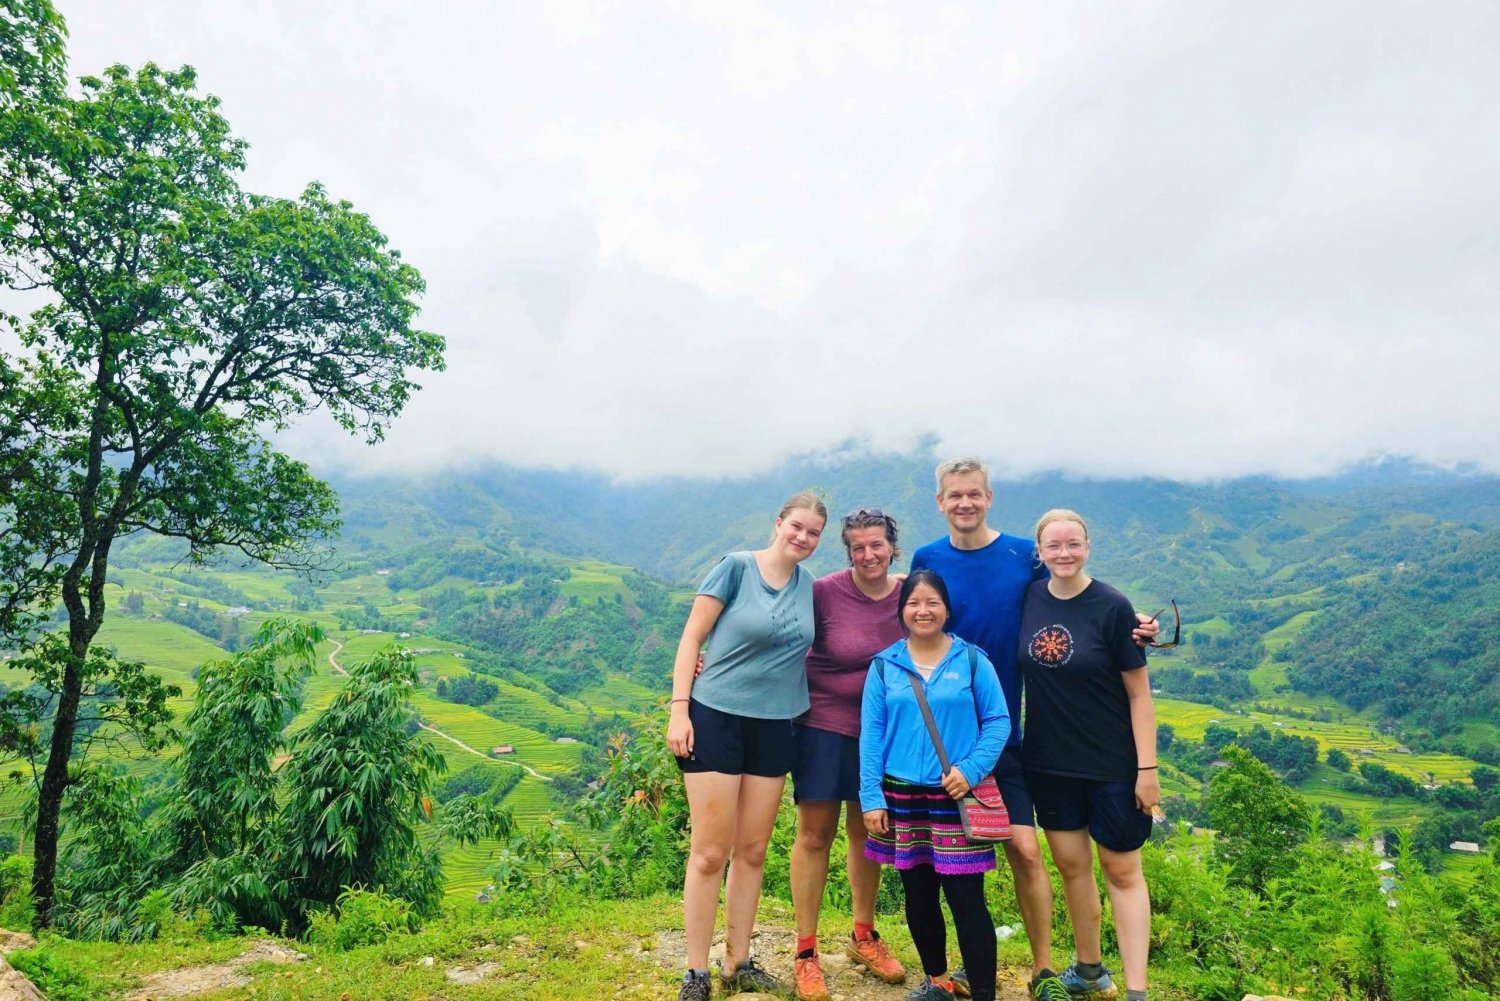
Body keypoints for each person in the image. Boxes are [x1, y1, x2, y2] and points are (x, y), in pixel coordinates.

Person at [909, 458, 1157, 1001]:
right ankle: (948, 973)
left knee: (1025, 850)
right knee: (943, 856)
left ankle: (1044, 971)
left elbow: (1080, 596)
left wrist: (1136, 621)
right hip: (946, 734)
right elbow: (913, 619)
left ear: (990, 496)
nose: (965, 503)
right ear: (940, 501)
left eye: (974, 493)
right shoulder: (927, 558)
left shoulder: (1024, 553)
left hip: (1010, 736)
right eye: (955, 495)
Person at [667, 491, 828, 1001]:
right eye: (796, 527)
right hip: (715, 717)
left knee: (753, 851)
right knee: (711, 852)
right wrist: (680, 707)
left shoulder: (810, 588)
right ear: (778, 523)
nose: (802, 538)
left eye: (813, 533)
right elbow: (692, 637)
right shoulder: (736, 568)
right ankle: (696, 971)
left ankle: (739, 960)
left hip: (776, 724)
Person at [1020, 510, 1158, 1001]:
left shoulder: (1114, 607)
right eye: (1053, 545)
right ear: (1039, 551)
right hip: (1048, 762)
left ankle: (1137, 990)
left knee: (1122, 871)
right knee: (1073, 867)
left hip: (1113, 765)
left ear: (1088, 546)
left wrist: (1148, 770)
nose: (1063, 553)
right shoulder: (1029, 596)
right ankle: (1090, 969)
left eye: (1073, 544)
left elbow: (1140, 695)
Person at [859, 569, 1010, 1001]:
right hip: (902, 795)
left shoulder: (972, 660)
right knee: (918, 894)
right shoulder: (885, 665)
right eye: (913, 603)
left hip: (955, 794)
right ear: (902, 609)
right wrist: (872, 796)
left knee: (967, 900)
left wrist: (972, 768)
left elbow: (998, 721)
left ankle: (983, 992)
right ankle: (938, 983)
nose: (922, 611)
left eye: (932, 603)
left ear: (946, 608)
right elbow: (871, 734)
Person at [789, 508, 908, 1001]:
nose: (868, 555)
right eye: (858, 547)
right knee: (815, 834)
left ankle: (863, 935)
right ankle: (805, 951)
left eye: (876, 545)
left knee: (867, 830)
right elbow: (781, 634)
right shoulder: (824, 592)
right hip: (822, 726)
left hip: (882, 734)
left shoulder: (910, 595)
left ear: (892, 547)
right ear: (848, 550)